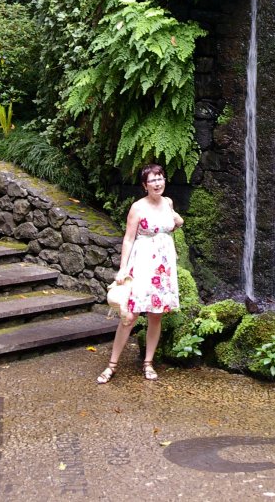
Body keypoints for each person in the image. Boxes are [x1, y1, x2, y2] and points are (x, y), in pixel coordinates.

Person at [97, 163, 183, 383]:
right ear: (145, 185)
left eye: (160, 177)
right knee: (130, 315)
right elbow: (128, 238)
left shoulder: (168, 203)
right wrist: (123, 268)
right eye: (153, 180)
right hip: (143, 262)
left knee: (156, 315)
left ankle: (148, 363)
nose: (158, 183)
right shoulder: (137, 207)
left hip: (163, 265)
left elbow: (173, 223)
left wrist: (178, 222)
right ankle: (112, 365)